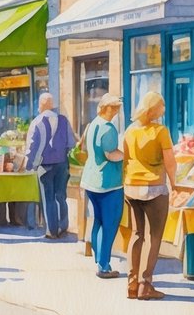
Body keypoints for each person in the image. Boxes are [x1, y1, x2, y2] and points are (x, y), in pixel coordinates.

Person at [121, 92, 177, 301]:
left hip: (131, 186)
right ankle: (146, 284)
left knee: (137, 234)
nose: (163, 110)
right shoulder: (161, 131)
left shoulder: (129, 130)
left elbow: (124, 158)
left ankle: (132, 284)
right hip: (154, 187)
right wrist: (174, 183)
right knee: (154, 237)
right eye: (161, 107)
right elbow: (170, 162)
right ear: (153, 109)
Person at [81, 93, 124, 279]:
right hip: (108, 182)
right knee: (110, 224)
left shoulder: (93, 124)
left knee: (98, 220)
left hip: (91, 179)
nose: (116, 111)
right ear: (107, 108)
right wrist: (125, 155)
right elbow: (110, 154)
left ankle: (99, 258)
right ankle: (104, 265)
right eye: (114, 108)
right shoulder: (108, 129)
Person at [26, 93, 77, 239]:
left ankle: (51, 231)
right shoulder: (63, 120)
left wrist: (31, 166)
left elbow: (32, 147)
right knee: (61, 195)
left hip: (45, 165)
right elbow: (71, 143)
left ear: (41, 104)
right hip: (62, 163)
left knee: (48, 197)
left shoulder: (37, 121)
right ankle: (63, 226)